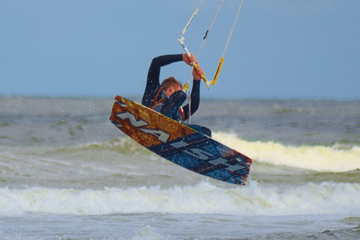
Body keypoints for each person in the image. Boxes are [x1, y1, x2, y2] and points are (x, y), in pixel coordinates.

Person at [142, 53, 211, 137]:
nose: (179, 101)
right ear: (170, 89)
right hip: (154, 120)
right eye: (176, 92)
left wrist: (197, 81)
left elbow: (194, 106)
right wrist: (181, 57)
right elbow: (155, 63)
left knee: (206, 132)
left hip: (174, 130)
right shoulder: (153, 93)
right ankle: (163, 120)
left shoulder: (178, 111)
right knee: (182, 95)